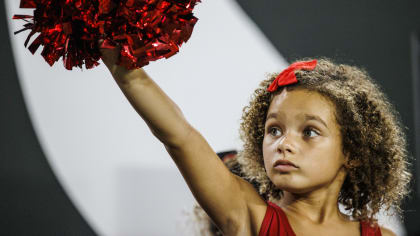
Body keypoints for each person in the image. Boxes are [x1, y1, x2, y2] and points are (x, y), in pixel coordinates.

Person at [100, 43, 411, 235]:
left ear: (352, 151)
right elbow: (179, 136)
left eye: (309, 132)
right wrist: (124, 68)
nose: (283, 144)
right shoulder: (249, 215)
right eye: (274, 129)